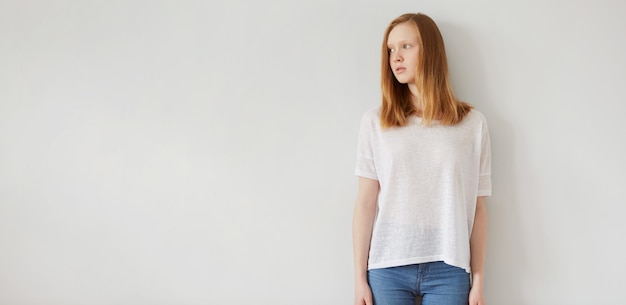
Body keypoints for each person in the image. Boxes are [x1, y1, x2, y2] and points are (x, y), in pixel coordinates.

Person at [352, 13, 492, 305]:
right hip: (388, 264)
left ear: (429, 50)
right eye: (390, 49)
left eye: (406, 46)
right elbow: (366, 202)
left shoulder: (472, 124)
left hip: (450, 266)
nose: (395, 57)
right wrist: (358, 279)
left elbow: (478, 207)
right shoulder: (376, 122)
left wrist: (478, 280)